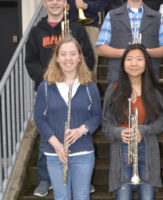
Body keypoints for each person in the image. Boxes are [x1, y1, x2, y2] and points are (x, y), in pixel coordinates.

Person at [25, 0, 94, 196]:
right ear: (44, 3)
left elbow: (88, 55)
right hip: (49, 88)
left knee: (76, 127)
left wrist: (75, 75)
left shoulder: (76, 29)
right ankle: (45, 178)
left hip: (75, 87)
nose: (55, 2)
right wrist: (49, 78)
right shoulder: (37, 31)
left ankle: (81, 176)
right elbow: (30, 60)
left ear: (66, 3)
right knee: (48, 133)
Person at [34, 36, 102, 199]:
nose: (68, 58)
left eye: (72, 54)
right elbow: (39, 119)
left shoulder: (89, 86)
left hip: (83, 152)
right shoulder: (45, 86)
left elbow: (96, 116)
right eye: (63, 54)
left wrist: (83, 129)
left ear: (79, 57)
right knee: (61, 196)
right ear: (57, 58)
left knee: (82, 196)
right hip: (55, 153)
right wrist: (56, 144)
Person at [102, 44, 163, 200]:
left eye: (139, 59)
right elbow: (105, 124)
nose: (134, 64)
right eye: (129, 59)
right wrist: (119, 132)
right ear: (123, 64)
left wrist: (143, 130)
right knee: (123, 196)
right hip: (121, 148)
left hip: (147, 146)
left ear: (146, 63)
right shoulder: (114, 89)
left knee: (147, 196)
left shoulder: (153, 90)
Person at [96, 0, 163, 83]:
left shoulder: (157, 17)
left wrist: (145, 53)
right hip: (118, 79)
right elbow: (100, 49)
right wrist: (127, 53)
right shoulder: (111, 16)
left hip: (149, 81)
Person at [67, 0, 108, 81]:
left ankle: (91, 91)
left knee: (91, 62)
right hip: (70, 25)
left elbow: (103, 3)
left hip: (90, 26)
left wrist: (87, 5)